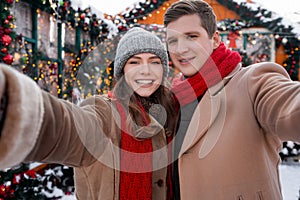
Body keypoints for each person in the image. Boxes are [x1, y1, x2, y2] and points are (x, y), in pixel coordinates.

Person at [0, 27, 178, 200]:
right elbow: (67, 127)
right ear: (122, 70)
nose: (145, 70)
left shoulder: (174, 113)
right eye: (134, 62)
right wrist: (11, 103)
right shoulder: (104, 113)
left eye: (154, 61)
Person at [163, 0, 300, 199]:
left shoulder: (252, 82)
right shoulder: (173, 100)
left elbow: (288, 105)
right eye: (173, 41)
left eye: (191, 37)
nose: (181, 48)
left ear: (215, 39)